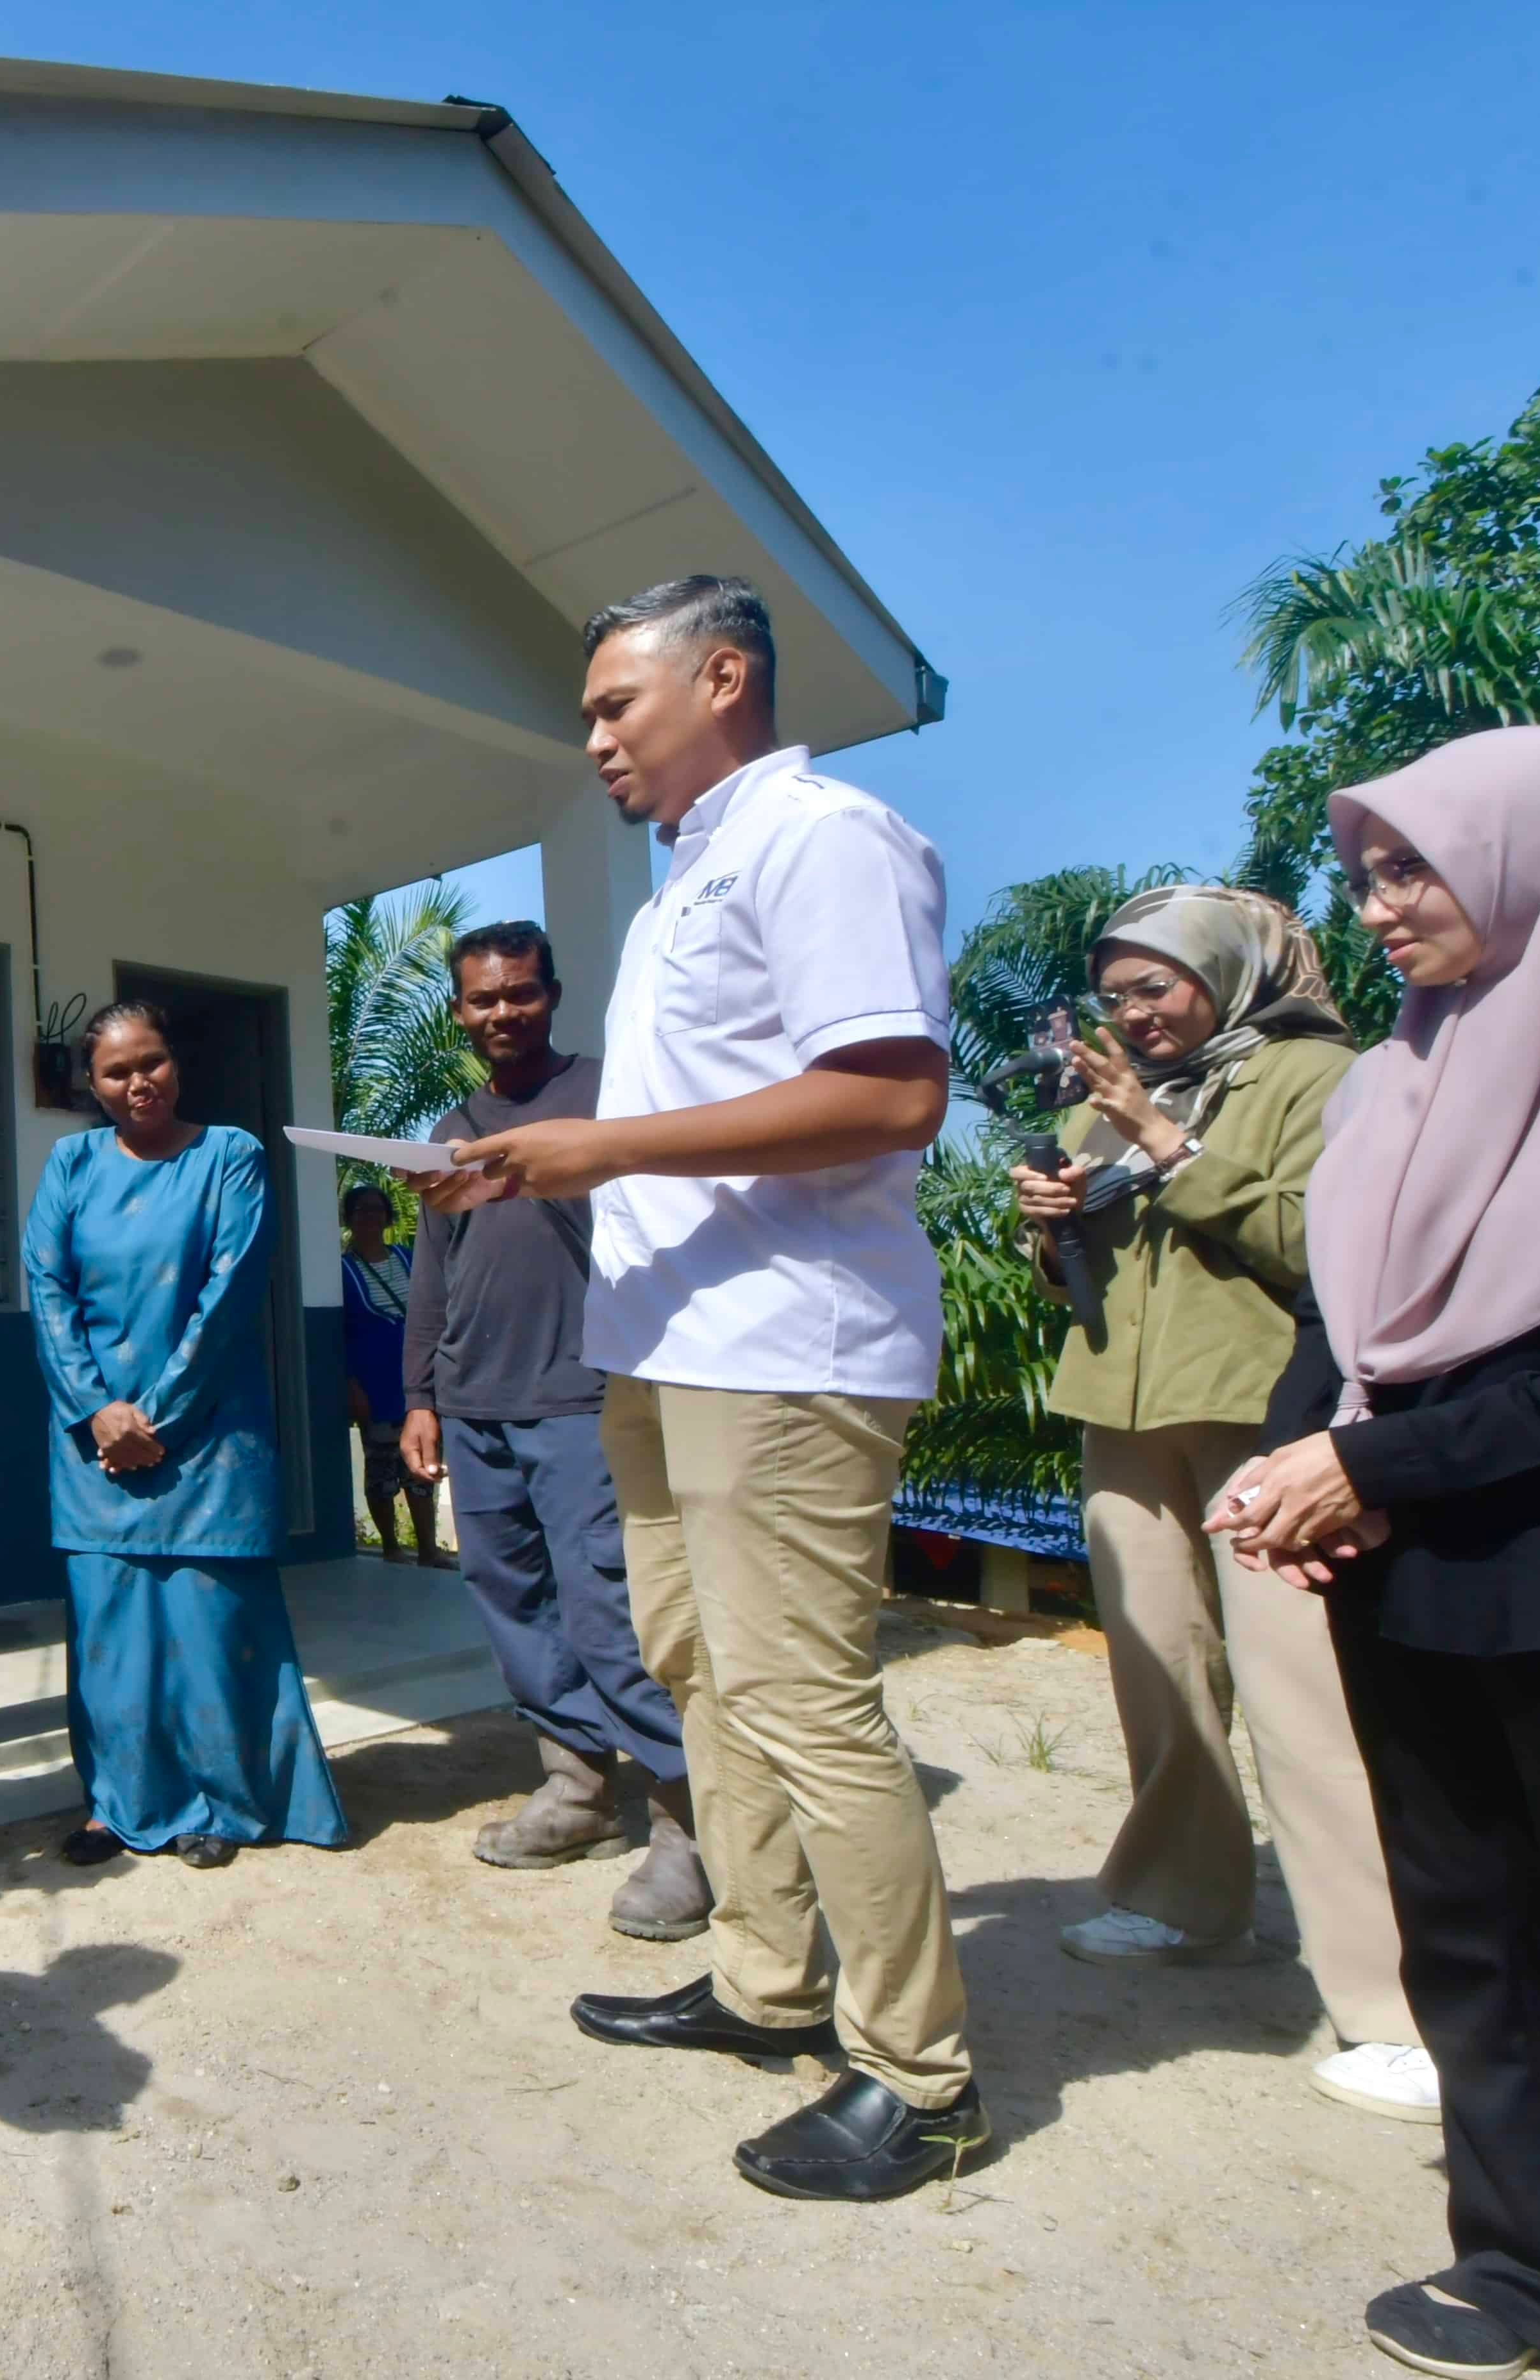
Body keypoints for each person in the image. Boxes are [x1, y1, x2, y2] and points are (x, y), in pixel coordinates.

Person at [424, 574, 982, 2202]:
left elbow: (890, 1095)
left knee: (805, 1700)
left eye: (616, 701)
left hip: (784, 1347)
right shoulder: (681, 888)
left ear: (721, 676)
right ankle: (765, 1979)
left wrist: (593, 1145)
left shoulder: (824, 836)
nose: (591, 733)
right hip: (661, 1344)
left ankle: (920, 2073)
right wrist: (535, 1175)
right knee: (699, 1674)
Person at [1208, 726, 1540, 2380]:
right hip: (1410, 1576)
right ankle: (1533, 2278)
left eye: (1412, 867)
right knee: (1470, 1947)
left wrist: (1373, 1462)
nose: (1375, 904)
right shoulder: (1399, 1077)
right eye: (1361, 873)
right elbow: (1343, 1320)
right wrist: (1291, 1468)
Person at [1008, 886, 1430, 2124]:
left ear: (1228, 971)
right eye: (1116, 995)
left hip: (1265, 1420)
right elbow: (1089, 1264)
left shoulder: (1318, 1076)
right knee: (1159, 1673)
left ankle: (1393, 2000)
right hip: (1122, 1417)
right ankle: (1188, 1901)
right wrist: (1050, 1227)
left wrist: (1166, 1147)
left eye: (1155, 986)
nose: (1133, 1016)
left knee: (1305, 1696)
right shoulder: (1101, 1101)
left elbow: (1327, 1244)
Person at [401, 921, 702, 1938]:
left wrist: (540, 1170)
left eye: (519, 994)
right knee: (513, 1603)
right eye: (482, 999)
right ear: (459, 1011)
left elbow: (657, 1221)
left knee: (611, 1611)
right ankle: (575, 1793)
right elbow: (434, 1272)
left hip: (586, 1395)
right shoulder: (451, 1124)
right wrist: (420, 1394)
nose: (501, 1013)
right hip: (475, 1399)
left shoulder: (608, 1101)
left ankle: (686, 1824)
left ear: (553, 994)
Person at [24, 1001, 347, 1870]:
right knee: (111, 1642)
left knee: (210, 1634)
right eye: (117, 1072)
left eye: (153, 1062)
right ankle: (121, 1805)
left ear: (177, 1064)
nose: (139, 1084)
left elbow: (230, 1294)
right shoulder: (70, 1165)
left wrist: (154, 1417)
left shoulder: (229, 1157)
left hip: (208, 1442)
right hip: (93, 1447)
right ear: (90, 1086)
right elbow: (48, 1293)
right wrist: (98, 1411)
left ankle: (226, 1804)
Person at [337, 1184, 444, 1565]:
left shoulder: (408, 1257)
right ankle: (390, 1546)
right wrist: (352, 1386)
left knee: (423, 1465)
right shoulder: (342, 1271)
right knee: (381, 1468)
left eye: (376, 1209)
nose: (370, 1216)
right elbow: (341, 1336)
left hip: (419, 1381)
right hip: (374, 1385)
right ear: (349, 1218)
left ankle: (429, 1548)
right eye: (361, 1210)